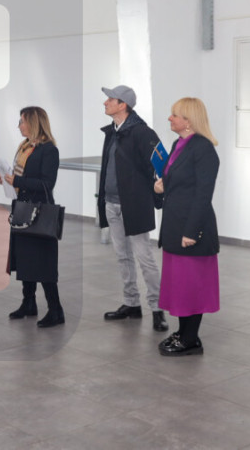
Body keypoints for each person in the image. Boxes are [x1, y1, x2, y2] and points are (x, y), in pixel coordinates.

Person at [98, 85, 169, 332]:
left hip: (135, 205)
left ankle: (157, 309)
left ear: (123, 105)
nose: (105, 102)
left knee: (144, 258)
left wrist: (158, 190)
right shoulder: (112, 132)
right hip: (111, 204)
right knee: (123, 257)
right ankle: (131, 303)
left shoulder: (142, 132)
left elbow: (162, 163)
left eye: (110, 99)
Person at [154, 97, 220, 356]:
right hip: (174, 225)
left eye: (175, 115)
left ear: (189, 120)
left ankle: (190, 339)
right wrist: (160, 187)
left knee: (192, 286)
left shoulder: (203, 149)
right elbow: (177, 182)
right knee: (180, 285)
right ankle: (183, 333)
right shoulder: (178, 144)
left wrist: (191, 232)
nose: (170, 118)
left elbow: (204, 194)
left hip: (191, 229)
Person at [0, 106, 64, 328]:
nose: (19, 126)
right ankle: (28, 303)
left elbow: (47, 184)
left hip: (40, 212)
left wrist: (17, 181)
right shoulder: (25, 147)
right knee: (26, 259)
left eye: (22, 121)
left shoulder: (49, 150)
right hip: (23, 209)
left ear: (34, 123)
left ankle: (56, 310)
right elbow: (23, 177)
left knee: (43, 263)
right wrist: (8, 179)